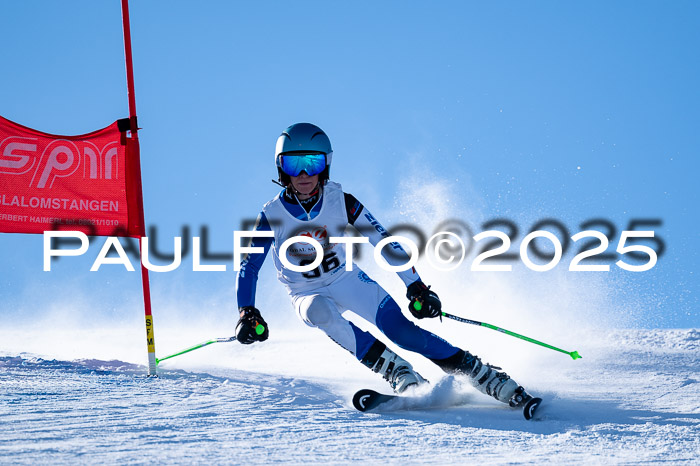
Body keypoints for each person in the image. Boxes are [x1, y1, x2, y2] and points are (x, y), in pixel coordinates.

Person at [235, 122, 535, 408]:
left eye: (312, 163)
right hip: (304, 291)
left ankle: (483, 375)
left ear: (325, 165)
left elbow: (384, 242)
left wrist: (415, 285)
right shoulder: (271, 214)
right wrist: (246, 311)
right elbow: (249, 267)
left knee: (401, 331)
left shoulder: (342, 201)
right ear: (280, 168)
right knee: (320, 311)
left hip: (345, 278)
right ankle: (399, 373)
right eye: (292, 165)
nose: (303, 174)